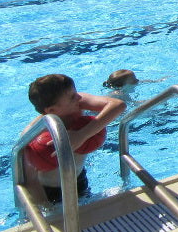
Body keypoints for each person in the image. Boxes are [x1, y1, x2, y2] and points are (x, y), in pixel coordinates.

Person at [22, 73, 125, 204]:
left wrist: (82, 134)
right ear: (52, 110)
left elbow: (119, 105)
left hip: (79, 179)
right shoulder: (34, 136)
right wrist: (47, 208)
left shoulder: (76, 102)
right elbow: (30, 180)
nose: (79, 97)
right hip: (50, 193)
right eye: (72, 97)